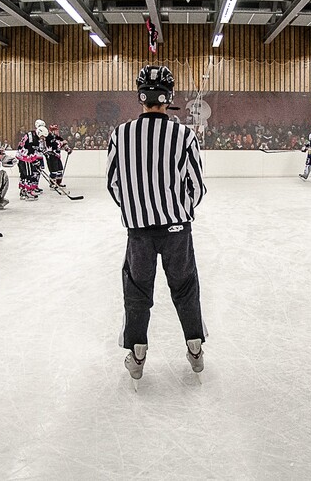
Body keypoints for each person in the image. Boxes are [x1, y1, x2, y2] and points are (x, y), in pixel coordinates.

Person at [106, 65, 207, 385]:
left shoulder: (120, 134)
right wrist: (178, 213)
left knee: (137, 291)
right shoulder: (184, 134)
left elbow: (113, 184)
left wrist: (136, 211)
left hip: (138, 231)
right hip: (177, 229)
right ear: (169, 97)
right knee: (185, 286)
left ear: (140, 96)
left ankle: (137, 354)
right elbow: (197, 186)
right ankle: (195, 348)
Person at [16, 122, 48, 200]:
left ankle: (23, 192)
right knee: (28, 174)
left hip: (21, 157)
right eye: (42, 137)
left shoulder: (32, 134)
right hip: (25, 158)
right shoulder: (33, 139)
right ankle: (28, 192)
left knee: (23, 175)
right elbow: (31, 151)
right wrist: (35, 161)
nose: (43, 138)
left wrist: (34, 160)